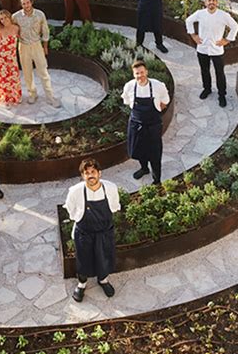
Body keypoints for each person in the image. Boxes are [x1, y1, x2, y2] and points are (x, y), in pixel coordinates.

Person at [64, 158, 120, 302]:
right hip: (84, 233)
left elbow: (114, 206)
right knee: (83, 259)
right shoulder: (75, 192)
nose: (90, 175)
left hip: (104, 232)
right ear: (83, 176)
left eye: (93, 172)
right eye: (86, 173)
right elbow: (70, 209)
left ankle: (103, 280)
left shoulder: (110, 188)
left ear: (99, 173)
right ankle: (81, 284)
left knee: (104, 257)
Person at [185, 0, 238, 108]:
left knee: (220, 73)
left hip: (217, 50)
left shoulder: (223, 15)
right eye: (209, 0)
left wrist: (227, 40)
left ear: (217, 3)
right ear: (205, 3)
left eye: (213, 0)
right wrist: (194, 36)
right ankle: (207, 89)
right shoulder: (200, 13)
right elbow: (188, 21)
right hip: (202, 48)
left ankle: (222, 95)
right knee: (205, 70)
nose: (211, 2)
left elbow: (235, 26)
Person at [122, 60, 170, 184]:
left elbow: (165, 101)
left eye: (142, 72)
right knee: (137, 150)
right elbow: (127, 101)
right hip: (136, 123)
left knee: (154, 153)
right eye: (137, 73)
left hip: (153, 124)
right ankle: (144, 169)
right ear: (133, 74)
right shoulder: (129, 86)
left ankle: (157, 179)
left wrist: (157, 110)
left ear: (146, 72)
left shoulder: (158, 85)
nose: (140, 76)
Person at [12, 0, 61, 108]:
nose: (26, 5)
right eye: (23, 3)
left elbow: (45, 31)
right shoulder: (16, 16)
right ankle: (32, 94)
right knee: (27, 72)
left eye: (27, 2)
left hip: (36, 45)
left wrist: (45, 47)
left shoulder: (40, 15)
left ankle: (50, 96)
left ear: (32, 2)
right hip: (23, 46)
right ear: (21, 4)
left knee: (43, 71)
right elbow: (12, 29)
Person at [0, 9, 22, 107]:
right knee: (3, 80)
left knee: (14, 78)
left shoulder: (16, 28)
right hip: (1, 59)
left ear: (9, 17)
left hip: (12, 59)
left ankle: (15, 97)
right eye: (1, 19)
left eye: (5, 18)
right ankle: (5, 99)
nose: (4, 20)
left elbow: (22, 39)